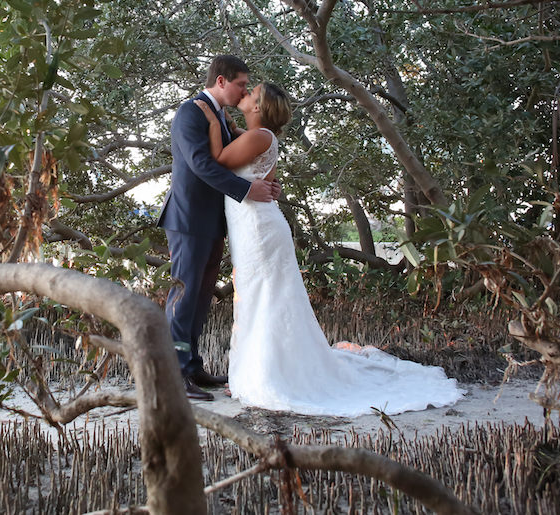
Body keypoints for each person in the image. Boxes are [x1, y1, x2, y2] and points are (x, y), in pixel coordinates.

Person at [194, 82, 463, 416]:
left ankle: (264, 374)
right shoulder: (257, 137)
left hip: (257, 230)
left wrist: (210, 119)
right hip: (252, 226)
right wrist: (229, 124)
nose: (244, 95)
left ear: (259, 107)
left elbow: (219, 159)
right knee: (256, 296)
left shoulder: (260, 137)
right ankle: (255, 370)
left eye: (251, 93)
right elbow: (241, 154)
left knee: (263, 297)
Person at [157, 55, 281, 401]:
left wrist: (262, 180)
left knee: (200, 297)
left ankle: (192, 366)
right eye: (242, 84)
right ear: (222, 81)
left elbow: (242, 157)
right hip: (188, 219)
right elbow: (200, 165)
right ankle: (175, 373)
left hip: (214, 221)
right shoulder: (191, 112)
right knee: (183, 297)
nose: (245, 90)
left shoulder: (219, 117)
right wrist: (247, 190)